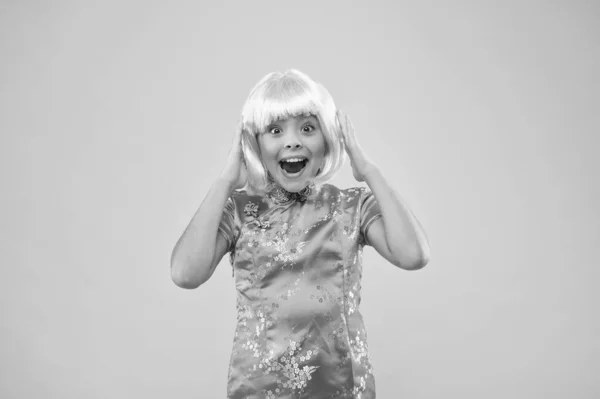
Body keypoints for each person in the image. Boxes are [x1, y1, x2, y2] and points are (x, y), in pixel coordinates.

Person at [171, 69, 430, 399]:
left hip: (343, 389)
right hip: (258, 391)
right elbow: (184, 273)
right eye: (275, 130)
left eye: (307, 128)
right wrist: (225, 182)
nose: (292, 140)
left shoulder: (350, 206)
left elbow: (414, 255)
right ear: (256, 145)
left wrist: (368, 171)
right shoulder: (240, 210)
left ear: (327, 143)